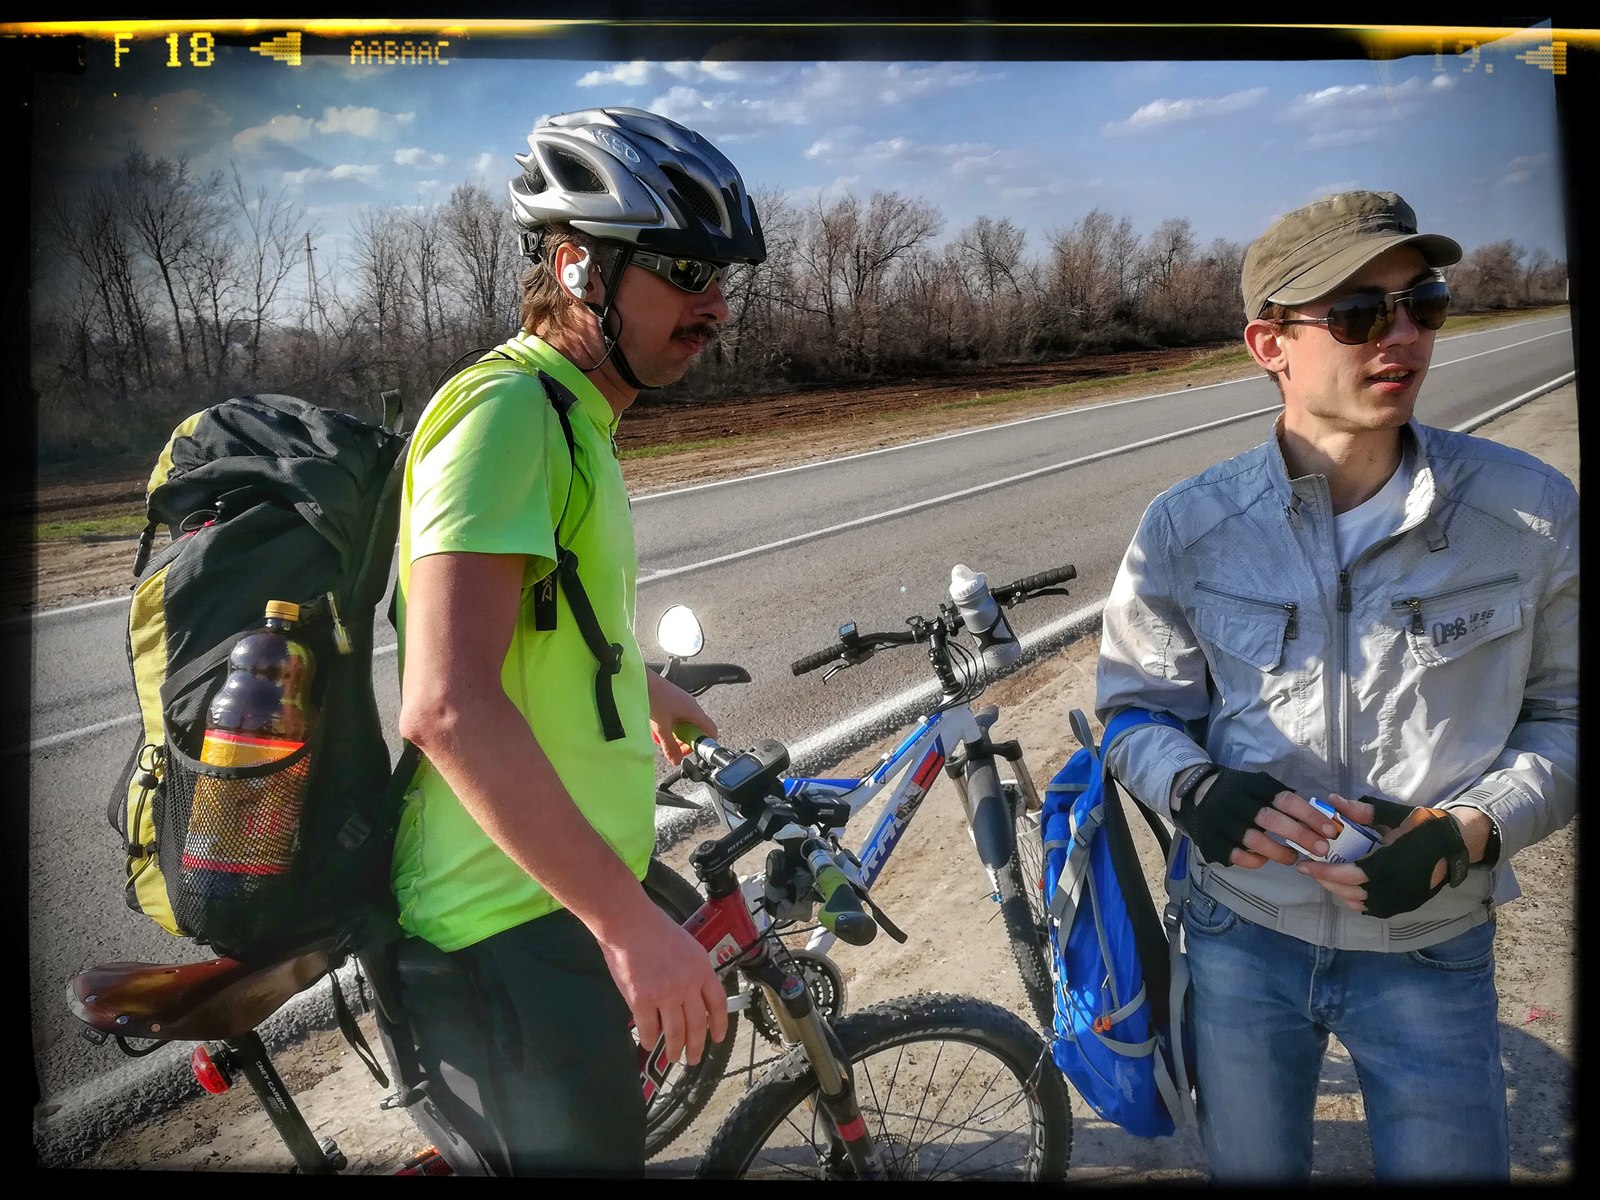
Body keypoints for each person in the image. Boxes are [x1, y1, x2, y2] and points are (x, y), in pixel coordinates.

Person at [1095, 190, 1578, 1183]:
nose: (1400, 335)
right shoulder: (1186, 528)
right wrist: (1189, 790)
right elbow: (1133, 711)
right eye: (1359, 314)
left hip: (1431, 946)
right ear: (1268, 344)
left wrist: (1472, 829)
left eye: (1424, 302)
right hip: (1237, 943)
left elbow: (1566, 719)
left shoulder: (1529, 514)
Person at [389, 106, 767, 1176]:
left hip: (547, 904)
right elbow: (446, 703)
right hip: (505, 934)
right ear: (576, 266)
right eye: (687, 271)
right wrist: (628, 925)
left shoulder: (571, 418)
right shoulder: (506, 412)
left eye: (722, 277)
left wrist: (643, 687)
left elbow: (539, 630)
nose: (715, 306)